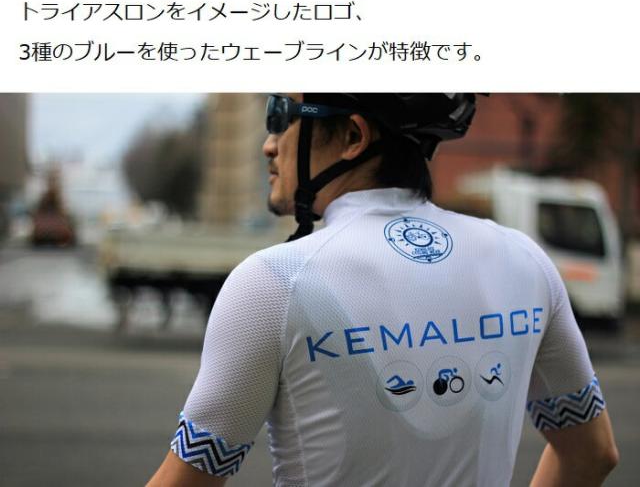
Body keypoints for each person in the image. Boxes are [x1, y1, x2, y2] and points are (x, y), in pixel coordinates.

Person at [147, 93, 618, 487]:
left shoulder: (274, 282)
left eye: (281, 115)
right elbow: (593, 454)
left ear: (353, 137)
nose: (269, 143)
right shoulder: (525, 261)